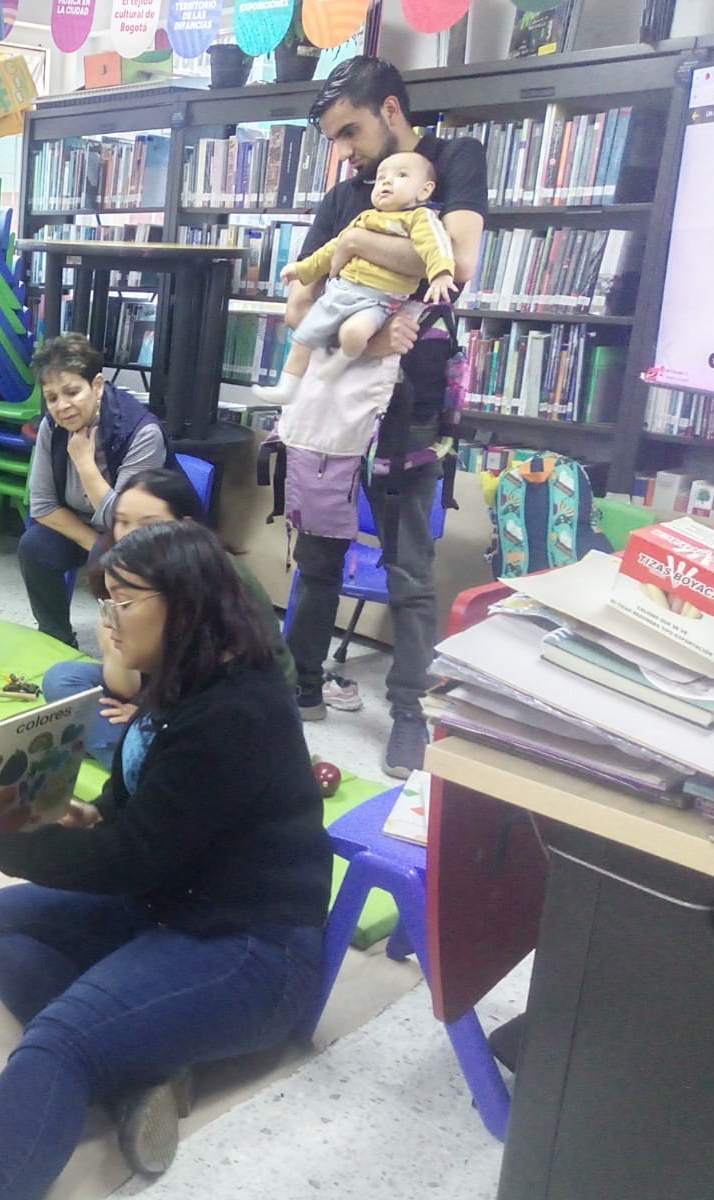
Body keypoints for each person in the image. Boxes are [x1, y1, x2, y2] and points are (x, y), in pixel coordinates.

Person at [0, 521, 332, 1196]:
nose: (107, 619)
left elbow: (129, 860)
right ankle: (142, 1074)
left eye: (123, 601)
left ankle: (112, 1053)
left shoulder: (235, 709)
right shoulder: (174, 677)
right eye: (105, 600)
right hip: (169, 902)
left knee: (60, 1042)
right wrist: (97, 812)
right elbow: (138, 807)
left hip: (251, 947)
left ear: (186, 603)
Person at [280, 56, 488, 777]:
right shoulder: (347, 194)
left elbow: (454, 266)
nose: (346, 153)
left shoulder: (454, 161)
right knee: (318, 556)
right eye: (335, 140)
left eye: (352, 132)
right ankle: (300, 687)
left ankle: (408, 714)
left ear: (393, 111)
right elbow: (298, 304)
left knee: (408, 566)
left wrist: (362, 247)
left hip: (410, 403)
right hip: (336, 395)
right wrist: (366, 321)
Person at [41, 468, 298, 763]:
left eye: (150, 524)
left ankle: (140, 762)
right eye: (122, 522)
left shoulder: (211, 576)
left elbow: (222, 681)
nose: (130, 533)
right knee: (62, 679)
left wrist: (155, 715)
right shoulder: (122, 564)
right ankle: (137, 749)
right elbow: (124, 683)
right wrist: (113, 637)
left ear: (184, 527)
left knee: (158, 745)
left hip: (223, 703)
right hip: (163, 684)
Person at [253, 151, 457, 402]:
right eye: (381, 178)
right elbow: (332, 249)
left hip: (377, 301)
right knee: (303, 337)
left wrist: (441, 274)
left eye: (401, 176)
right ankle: (286, 388)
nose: (387, 182)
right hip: (341, 291)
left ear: (425, 191)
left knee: (354, 333)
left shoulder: (420, 219)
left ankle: (342, 360)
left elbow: (436, 246)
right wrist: (303, 270)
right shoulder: (366, 217)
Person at [20, 333, 171, 647]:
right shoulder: (52, 425)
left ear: (98, 386)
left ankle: (139, 649)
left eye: (72, 392)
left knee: (124, 563)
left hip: (144, 535)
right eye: (51, 398)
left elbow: (126, 517)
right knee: (34, 546)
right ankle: (56, 639)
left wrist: (85, 464)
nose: (62, 407)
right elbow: (43, 504)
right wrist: (97, 548)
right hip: (90, 529)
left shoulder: (142, 433)